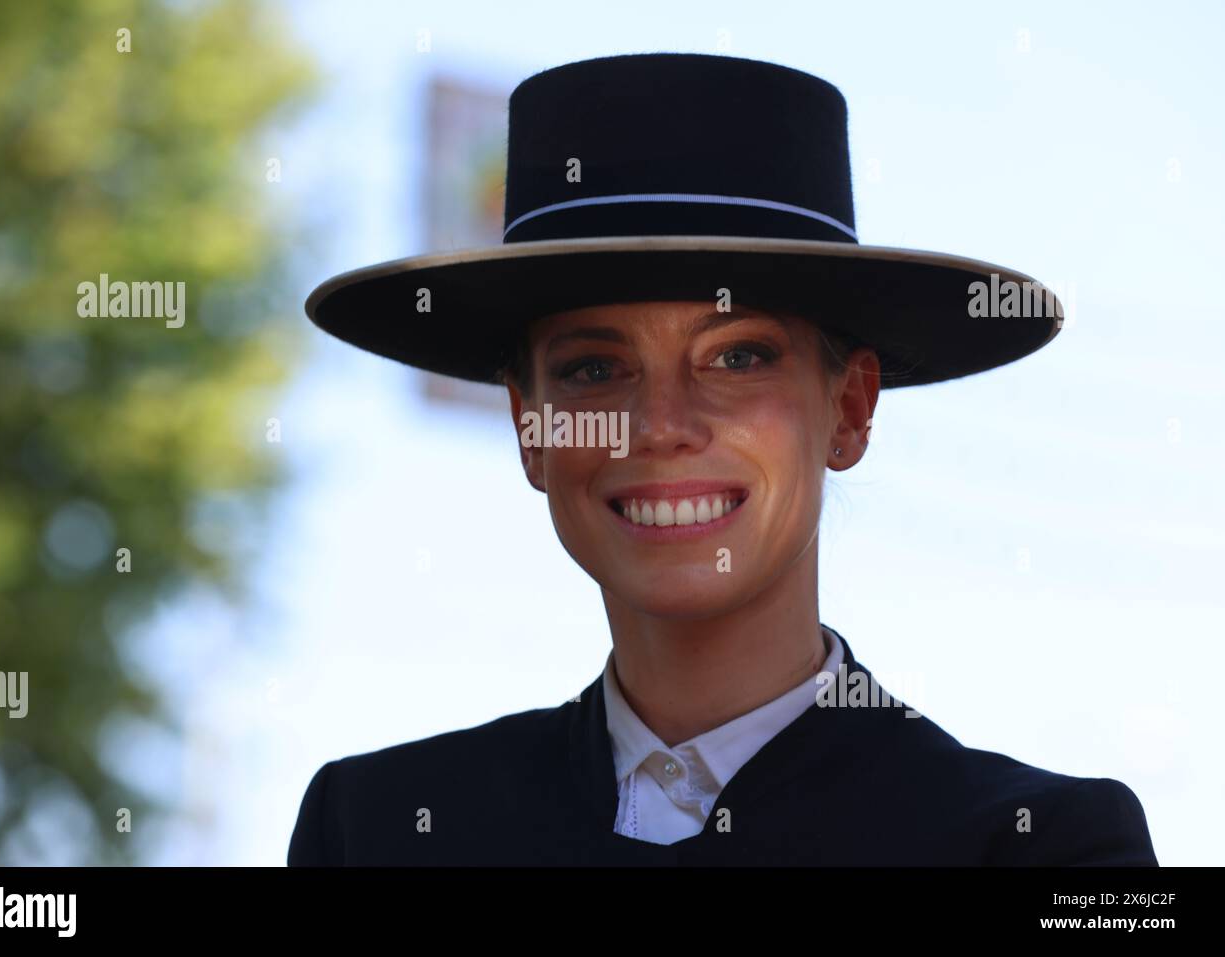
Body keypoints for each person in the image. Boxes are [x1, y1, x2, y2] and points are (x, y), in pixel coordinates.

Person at [287, 52, 1157, 865]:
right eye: (595, 368)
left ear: (849, 409)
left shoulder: (1047, 851)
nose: (661, 424)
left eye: (738, 356)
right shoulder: (376, 831)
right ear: (531, 429)